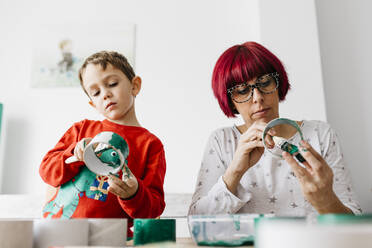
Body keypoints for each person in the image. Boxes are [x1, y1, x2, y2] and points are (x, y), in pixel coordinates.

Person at [189, 42, 361, 216]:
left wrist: (325, 200)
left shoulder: (320, 134)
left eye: (265, 82)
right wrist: (235, 171)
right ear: (230, 101)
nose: (257, 98)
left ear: (278, 84)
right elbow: (196, 220)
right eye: (242, 91)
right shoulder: (222, 141)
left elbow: (354, 224)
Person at [40, 51, 166, 237]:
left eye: (112, 84)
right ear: (93, 104)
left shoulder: (151, 145)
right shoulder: (80, 130)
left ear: (135, 85)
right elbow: (47, 171)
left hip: (111, 238)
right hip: (60, 233)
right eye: (96, 92)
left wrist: (133, 193)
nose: (105, 94)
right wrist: (72, 153)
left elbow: (153, 209)